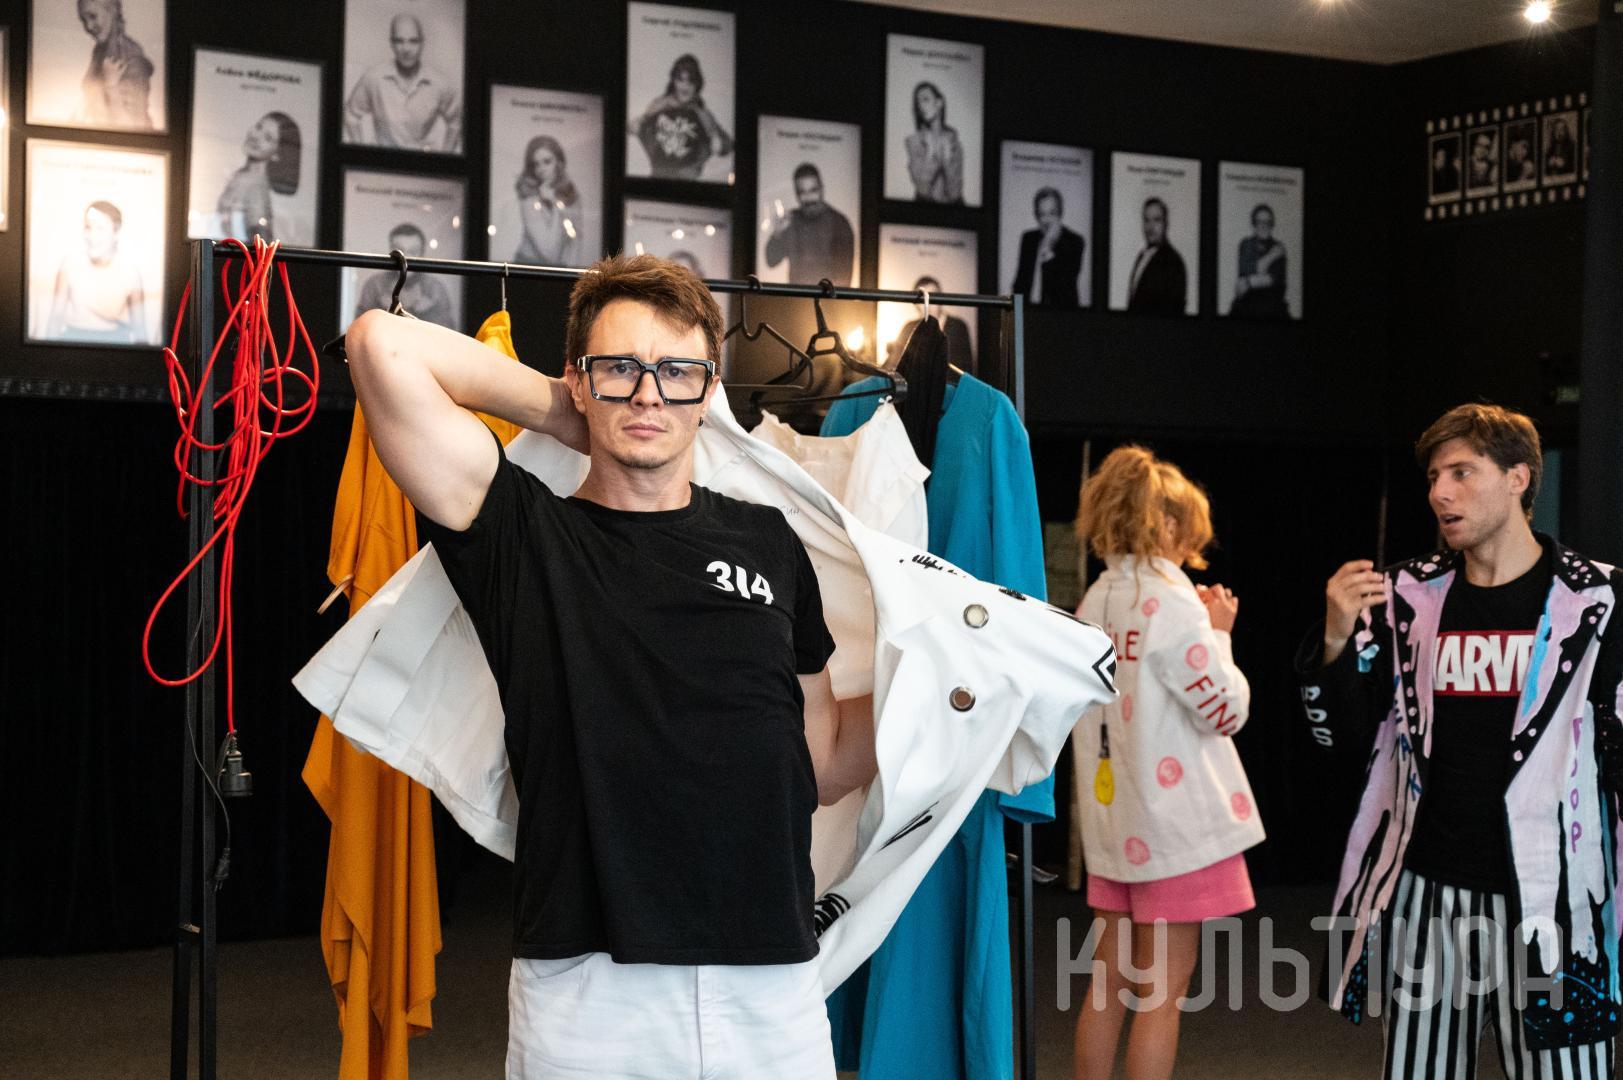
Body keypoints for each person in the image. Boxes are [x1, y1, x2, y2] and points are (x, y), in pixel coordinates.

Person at [342, 253, 878, 1077]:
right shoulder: (525, 535)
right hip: (589, 988)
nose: (649, 394)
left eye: (676, 372)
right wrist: (567, 414)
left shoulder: (769, 540)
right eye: (620, 367)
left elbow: (824, 762)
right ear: (577, 378)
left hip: (771, 985)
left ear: (709, 389)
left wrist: (962, 690)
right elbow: (380, 344)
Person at [1297, 403, 1623, 1079]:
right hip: (1427, 894)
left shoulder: (1598, 601)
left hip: (1559, 905)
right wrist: (1332, 640)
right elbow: (1339, 742)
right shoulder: (1405, 598)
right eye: (1433, 477)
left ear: (1517, 478)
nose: (1439, 493)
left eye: (1461, 473)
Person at [1070, 446, 1261, 1080]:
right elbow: (1226, 711)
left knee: (1107, 984)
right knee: (1162, 995)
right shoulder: (1173, 604)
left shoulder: (1096, 599)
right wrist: (1219, 631)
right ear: (1169, 525)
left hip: (1114, 823)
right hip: (1172, 827)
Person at [343, 13, 463, 152]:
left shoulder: (440, 83)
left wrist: (446, 157)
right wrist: (360, 153)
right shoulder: (373, 78)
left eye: (413, 41)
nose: (406, 49)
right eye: (399, 41)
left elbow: (456, 122)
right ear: (391, 44)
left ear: (422, 43)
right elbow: (350, 114)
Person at [44, 200, 148, 344]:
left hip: (116, 343)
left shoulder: (131, 273)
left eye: (100, 228)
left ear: (116, 233)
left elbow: (140, 330)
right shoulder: (70, 264)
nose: (92, 235)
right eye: (88, 227)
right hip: (74, 341)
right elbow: (55, 319)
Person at [628, 54, 734, 180]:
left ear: (697, 84)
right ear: (673, 81)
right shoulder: (659, 106)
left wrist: (719, 143)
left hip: (688, 181)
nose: (685, 86)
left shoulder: (702, 114)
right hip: (658, 177)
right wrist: (635, 126)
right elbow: (634, 126)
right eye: (680, 80)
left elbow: (728, 144)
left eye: (690, 81)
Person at [215, 111, 302, 244]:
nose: (256, 137)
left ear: (277, 154)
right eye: (259, 127)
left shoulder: (255, 185)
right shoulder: (242, 175)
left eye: (268, 138)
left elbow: (261, 240)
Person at [763, 163, 855, 286]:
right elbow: (771, 261)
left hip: (828, 297)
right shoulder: (791, 221)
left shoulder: (839, 223)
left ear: (821, 189)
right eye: (802, 192)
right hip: (796, 296)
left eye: (813, 190)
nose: (809, 198)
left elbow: (844, 279)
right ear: (797, 194)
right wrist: (777, 233)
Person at [354, 224, 455, 329]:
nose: (406, 257)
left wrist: (429, 312)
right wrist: (381, 310)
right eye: (400, 251)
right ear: (391, 250)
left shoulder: (435, 288)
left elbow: (449, 330)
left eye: (413, 252)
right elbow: (359, 327)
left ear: (422, 253)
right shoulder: (374, 285)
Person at [74, 0, 155, 129]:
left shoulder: (132, 58)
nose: (88, 26)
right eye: (84, 20)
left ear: (113, 11)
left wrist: (111, 86)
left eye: (93, 16)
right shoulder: (99, 51)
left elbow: (133, 127)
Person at [1011, 187, 1085, 308]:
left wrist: (1048, 246)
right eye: (1042, 214)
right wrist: (1016, 312)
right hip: (1028, 310)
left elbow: (1065, 287)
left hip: (1060, 313)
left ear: (1060, 213)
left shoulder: (1074, 241)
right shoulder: (1028, 238)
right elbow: (1020, 281)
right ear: (1037, 216)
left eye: (1052, 213)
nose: (1046, 220)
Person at [513, 134, 580, 266]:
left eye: (547, 161)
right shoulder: (529, 199)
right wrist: (555, 205)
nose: (541, 169)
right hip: (527, 268)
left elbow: (576, 242)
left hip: (561, 270)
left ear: (559, 162)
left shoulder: (570, 194)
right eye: (536, 164)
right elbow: (550, 254)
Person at [887, 274, 973, 371]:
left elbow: (965, 369)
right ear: (916, 304)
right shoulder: (909, 328)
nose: (928, 304)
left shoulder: (958, 327)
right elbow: (892, 364)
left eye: (933, 296)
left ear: (941, 299)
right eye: (923, 299)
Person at [904, 81, 964, 204]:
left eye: (925, 99)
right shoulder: (913, 141)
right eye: (918, 102)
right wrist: (931, 155)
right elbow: (922, 190)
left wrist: (948, 160)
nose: (921, 106)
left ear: (939, 103)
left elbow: (955, 193)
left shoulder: (954, 141)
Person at [1125, 198, 1187, 316]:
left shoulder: (1174, 262)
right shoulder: (1141, 256)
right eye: (1146, 220)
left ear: (1166, 224)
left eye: (1156, 220)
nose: (1150, 226)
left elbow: (1174, 312)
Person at [1229, 203, 1288, 320]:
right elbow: (1247, 269)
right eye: (1259, 222)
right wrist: (1272, 256)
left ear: (1272, 225)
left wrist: (1248, 282)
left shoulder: (1279, 247)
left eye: (1267, 222)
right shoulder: (1246, 244)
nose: (1263, 226)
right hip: (1246, 307)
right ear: (1253, 225)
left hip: (1272, 310)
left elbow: (1275, 280)